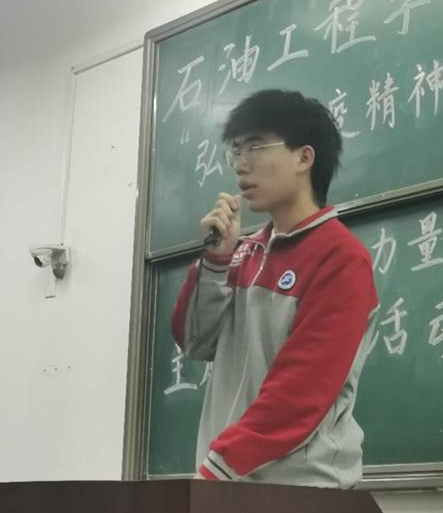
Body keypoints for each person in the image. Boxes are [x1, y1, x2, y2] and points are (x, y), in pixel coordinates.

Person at [171, 89, 379, 488]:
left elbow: (299, 393)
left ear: (304, 157)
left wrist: (216, 471)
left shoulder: (340, 258)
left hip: (300, 492)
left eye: (255, 147)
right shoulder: (242, 253)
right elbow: (193, 341)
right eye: (236, 150)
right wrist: (215, 260)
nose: (241, 165)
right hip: (230, 484)